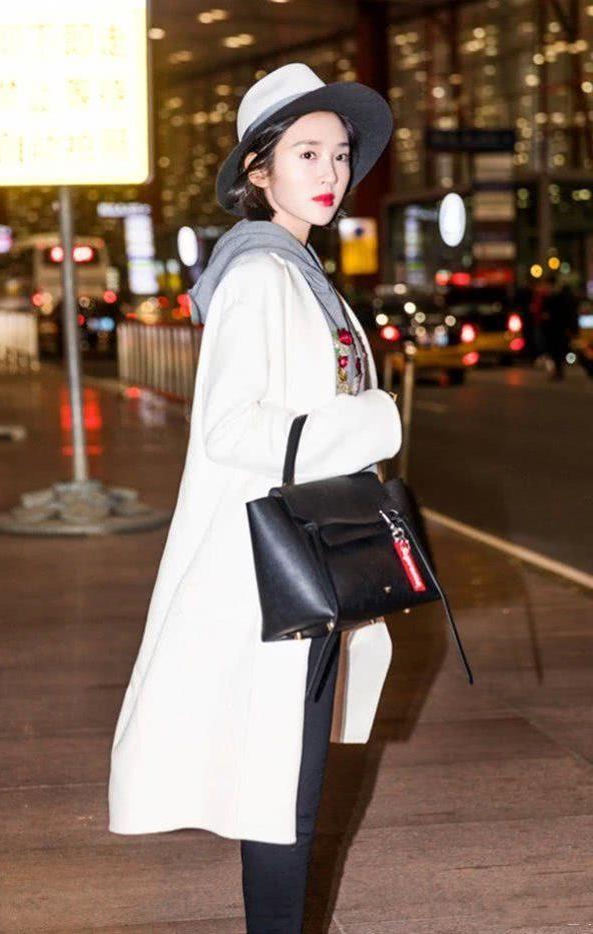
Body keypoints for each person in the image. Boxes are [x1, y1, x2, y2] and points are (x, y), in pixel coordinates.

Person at [107, 62, 402, 932]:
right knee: (281, 791)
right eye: (305, 153)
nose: (330, 171)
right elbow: (229, 429)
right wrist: (373, 421)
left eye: (339, 154)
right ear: (258, 170)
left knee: (288, 785)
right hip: (275, 570)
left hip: (305, 560)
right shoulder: (260, 276)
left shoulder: (299, 271)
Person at [540, 273, 578, 380]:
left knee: (557, 350)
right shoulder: (549, 296)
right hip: (552, 328)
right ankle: (557, 370)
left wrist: (570, 327)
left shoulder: (560, 296)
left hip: (558, 328)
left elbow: (567, 312)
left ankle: (558, 371)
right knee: (554, 350)